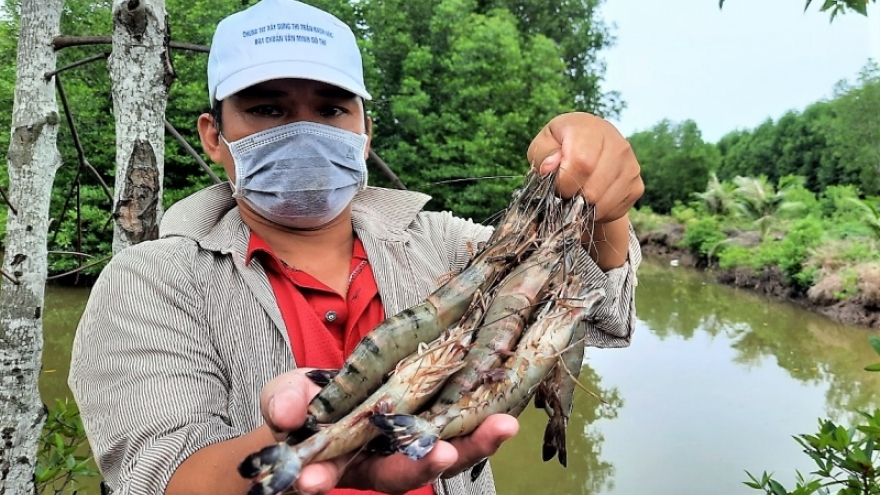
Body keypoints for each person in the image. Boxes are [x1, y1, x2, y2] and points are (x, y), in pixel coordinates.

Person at [68, 0, 643, 494]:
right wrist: (310, 436)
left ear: (365, 134)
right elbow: (155, 475)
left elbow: (600, 312)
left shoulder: (445, 242)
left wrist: (601, 197)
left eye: (331, 109)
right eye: (268, 108)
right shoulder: (150, 279)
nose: (302, 127)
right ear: (213, 136)